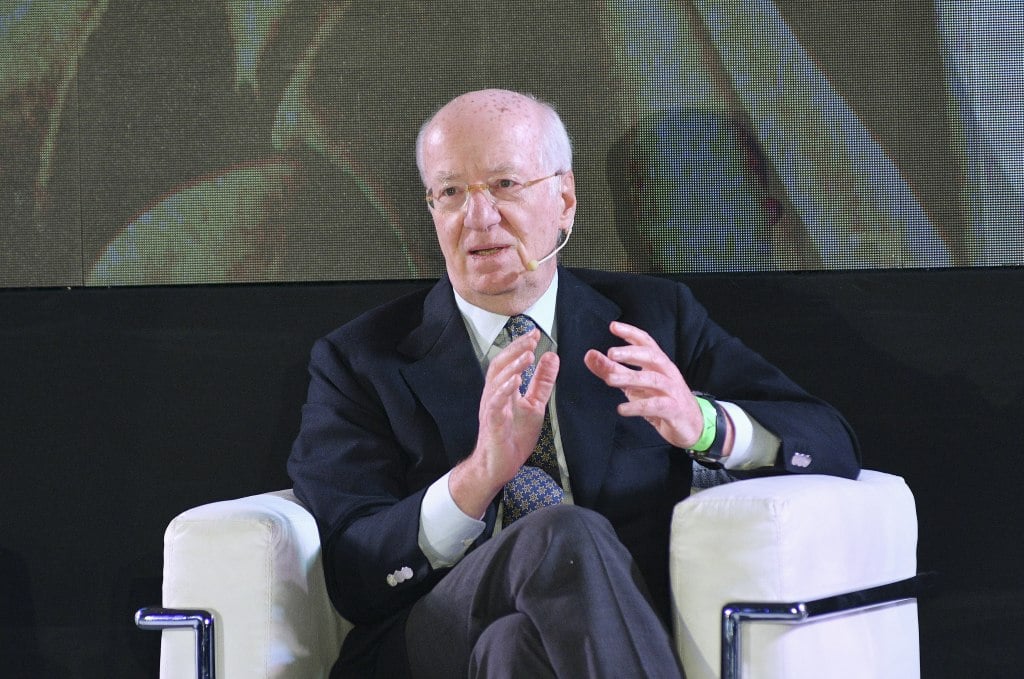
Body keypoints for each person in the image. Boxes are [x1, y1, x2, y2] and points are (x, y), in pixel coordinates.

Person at [288, 88, 860, 678]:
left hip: (593, 636)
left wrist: (703, 423)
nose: (478, 217)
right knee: (559, 532)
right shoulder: (359, 359)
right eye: (451, 192)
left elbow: (829, 439)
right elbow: (354, 572)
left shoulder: (651, 318)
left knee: (515, 648)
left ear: (563, 199)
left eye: (504, 184)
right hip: (433, 636)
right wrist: (476, 478)